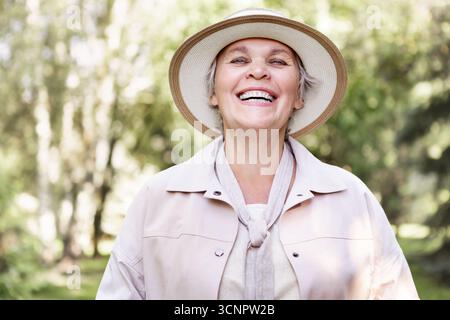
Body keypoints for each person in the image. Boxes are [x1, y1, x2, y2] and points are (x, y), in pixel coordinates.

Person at [96, 8, 419, 300]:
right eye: (238, 60)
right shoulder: (158, 198)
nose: (258, 72)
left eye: (278, 62)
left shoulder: (350, 197)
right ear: (212, 93)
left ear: (299, 96)